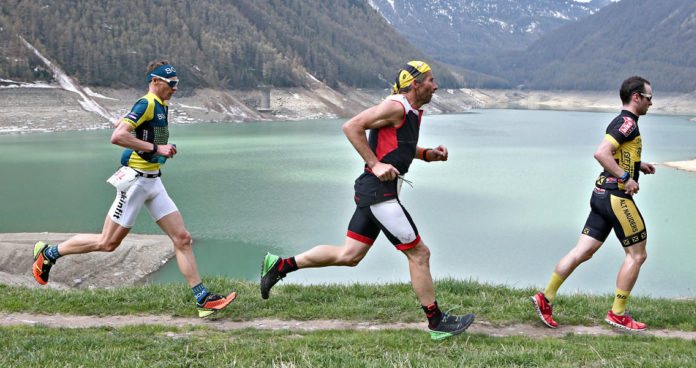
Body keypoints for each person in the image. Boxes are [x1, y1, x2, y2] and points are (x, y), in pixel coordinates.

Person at [260, 61, 474, 340]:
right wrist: (374, 164)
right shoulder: (396, 106)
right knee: (419, 253)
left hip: (375, 192)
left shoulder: (411, 111)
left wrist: (428, 154)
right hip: (378, 193)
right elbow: (352, 126)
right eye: (431, 80)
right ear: (415, 84)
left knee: (349, 256)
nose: (436, 86)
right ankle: (436, 322)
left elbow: (399, 147)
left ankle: (280, 265)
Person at [32, 60, 236, 318]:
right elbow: (118, 136)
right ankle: (48, 254)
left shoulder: (160, 105)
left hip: (153, 181)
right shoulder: (147, 103)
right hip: (135, 183)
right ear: (155, 81)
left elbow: (133, 129)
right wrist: (156, 149)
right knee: (107, 244)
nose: (175, 88)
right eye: (171, 84)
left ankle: (202, 299)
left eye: (177, 84)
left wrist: (161, 147)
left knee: (182, 238)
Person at [531, 76, 655, 331]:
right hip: (616, 198)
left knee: (582, 252)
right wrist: (625, 178)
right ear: (636, 97)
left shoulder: (623, 121)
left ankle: (546, 298)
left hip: (600, 195)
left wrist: (637, 166)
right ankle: (618, 314)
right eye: (649, 98)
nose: (651, 103)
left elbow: (619, 152)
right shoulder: (628, 122)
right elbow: (601, 153)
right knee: (637, 254)